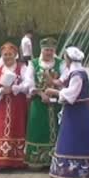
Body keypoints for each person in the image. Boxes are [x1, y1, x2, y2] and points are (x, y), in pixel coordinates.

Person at [44, 47, 89, 178]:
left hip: (78, 112)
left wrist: (54, 92)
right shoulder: (73, 71)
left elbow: (71, 95)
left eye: (65, 58)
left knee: (75, 138)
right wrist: (51, 80)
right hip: (73, 111)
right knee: (69, 136)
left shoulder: (77, 75)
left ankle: (77, 170)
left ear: (69, 59)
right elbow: (62, 81)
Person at [0, 43, 33, 169]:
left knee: (16, 128)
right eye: (5, 55)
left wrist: (16, 88)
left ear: (15, 55)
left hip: (17, 105)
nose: (8, 57)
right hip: (2, 106)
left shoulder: (22, 68)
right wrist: (1, 91)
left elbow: (28, 82)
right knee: (0, 128)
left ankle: (16, 160)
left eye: (10, 54)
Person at [24, 37, 65, 169]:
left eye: (51, 50)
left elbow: (65, 82)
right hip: (38, 102)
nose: (48, 53)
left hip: (56, 103)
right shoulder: (33, 64)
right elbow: (28, 82)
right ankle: (37, 159)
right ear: (42, 50)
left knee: (57, 130)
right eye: (46, 50)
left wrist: (55, 92)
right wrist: (40, 93)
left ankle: (56, 158)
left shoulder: (61, 64)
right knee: (38, 129)